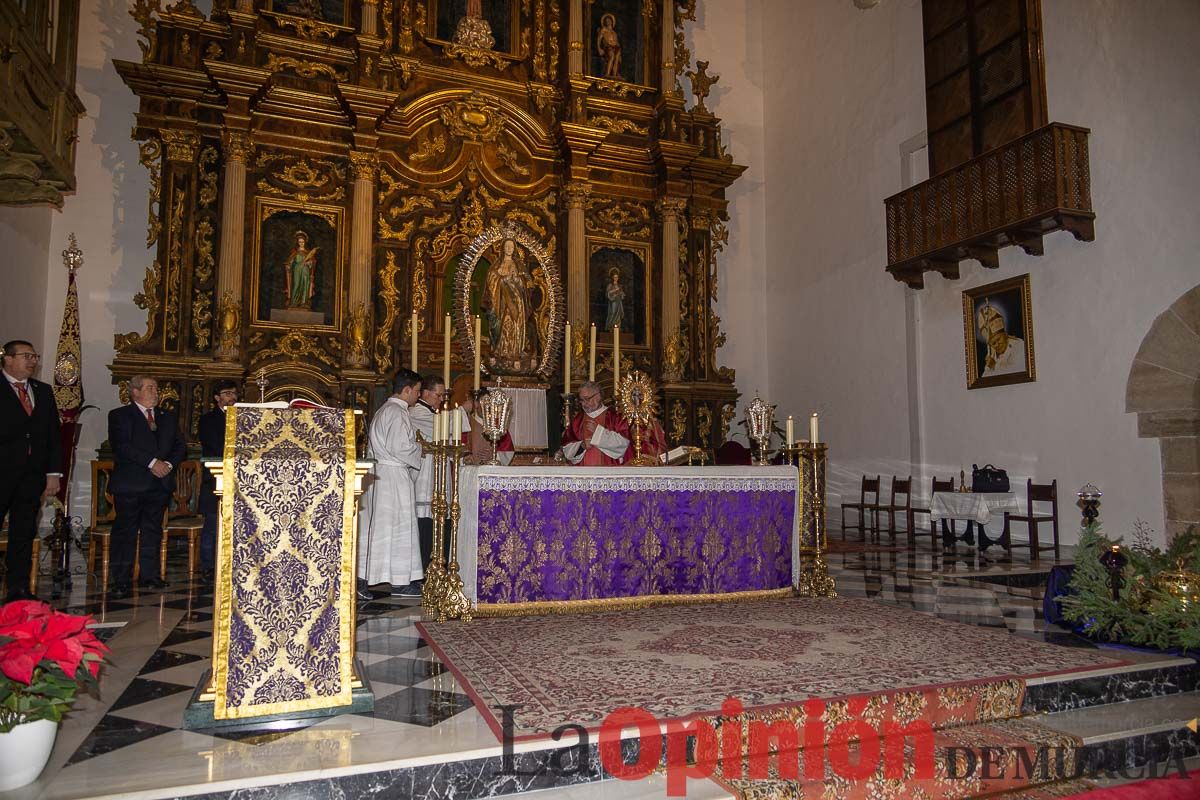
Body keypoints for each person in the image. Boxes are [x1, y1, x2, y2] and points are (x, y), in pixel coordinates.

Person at [107, 375, 186, 599]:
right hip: (131, 483)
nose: (156, 392)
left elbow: (180, 446)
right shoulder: (120, 416)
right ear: (135, 392)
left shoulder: (167, 417)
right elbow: (122, 446)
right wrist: (152, 463)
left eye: (156, 388)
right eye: (150, 388)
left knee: (153, 530)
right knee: (125, 531)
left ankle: (150, 576)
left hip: (159, 484)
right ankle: (121, 579)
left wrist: (168, 464)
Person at [0, 340, 61, 601]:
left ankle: (19, 588)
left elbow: (52, 435)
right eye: (26, 356)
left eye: (34, 356)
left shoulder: (43, 391)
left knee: (23, 532)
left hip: (31, 475)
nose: (32, 360)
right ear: (8, 359)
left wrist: (53, 473)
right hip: (2, 471)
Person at [357, 369, 424, 596]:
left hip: (384, 475)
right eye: (416, 391)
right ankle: (367, 580)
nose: (418, 395)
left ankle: (399, 579)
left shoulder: (387, 410)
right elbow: (400, 447)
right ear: (405, 390)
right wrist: (419, 449)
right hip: (391, 478)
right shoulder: (396, 412)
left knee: (392, 529)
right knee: (388, 529)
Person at [197, 379, 238, 585]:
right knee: (212, 525)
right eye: (227, 393)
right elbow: (214, 445)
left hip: (238, 477)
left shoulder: (242, 417)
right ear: (217, 397)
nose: (232, 397)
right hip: (216, 478)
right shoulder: (208, 420)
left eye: (234, 393)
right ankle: (208, 566)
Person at [409, 374, 451, 577]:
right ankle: (425, 568)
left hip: (438, 472)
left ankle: (437, 566)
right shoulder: (417, 412)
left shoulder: (432, 412)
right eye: (439, 395)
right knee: (426, 521)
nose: (442, 399)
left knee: (440, 519)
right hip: (426, 476)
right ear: (426, 393)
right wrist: (464, 410)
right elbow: (443, 430)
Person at [559, 381, 630, 466]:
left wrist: (598, 432)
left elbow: (624, 444)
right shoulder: (578, 420)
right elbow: (567, 448)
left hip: (608, 473)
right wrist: (582, 446)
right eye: (581, 400)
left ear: (598, 396)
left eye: (587, 398)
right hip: (583, 474)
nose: (584, 403)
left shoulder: (614, 417)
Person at [485, 239, 530, 362]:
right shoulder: (496, 265)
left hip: (516, 301)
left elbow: (526, 283)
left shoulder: (519, 265)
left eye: (511, 246)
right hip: (501, 301)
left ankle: (515, 351)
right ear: (503, 248)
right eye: (507, 246)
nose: (509, 249)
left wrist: (516, 280)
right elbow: (491, 281)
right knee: (503, 324)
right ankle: (502, 350)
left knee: (515, 325)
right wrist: (502, 280)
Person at [461, 389, 514, 465]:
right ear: (476, 403)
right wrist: (465, 458)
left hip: (491, 471)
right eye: (484, 401)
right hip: (472, 470)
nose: (488, 406)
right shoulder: (466, 424)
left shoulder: (498, 424)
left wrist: (494, 456)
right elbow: (458, 448)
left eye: (489, 402)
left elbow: (508, 451)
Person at [976, 302, 1026, 378]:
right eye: (993, 343)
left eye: (998, 339)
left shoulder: (1019, 346)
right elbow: (984, 380)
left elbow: (1016, 374)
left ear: (1005, 334)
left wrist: (994, 367)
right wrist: (988, 367)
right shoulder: (992, 354)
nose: (997, 345)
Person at [284, 230, 318, 310]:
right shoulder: (295, 252)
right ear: (298, 242)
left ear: (305, 242)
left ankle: (304, 302)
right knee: (296, 285)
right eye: (300, 242)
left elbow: (313, 263)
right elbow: (290, 262)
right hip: (297, 271)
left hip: (305, 271)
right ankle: (294, 302)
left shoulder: (308, 253)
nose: (301, 243)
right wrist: (289, 265)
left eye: (302, 242)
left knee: (305, 285)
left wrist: (309, 263)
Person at [597, 13, 621, 78]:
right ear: (605, 22)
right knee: (612, 56)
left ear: (612, 22)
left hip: (616, 47)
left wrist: (619, 51)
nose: (608, 22)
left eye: (609, 20)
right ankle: (607, 74)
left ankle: (614, 74)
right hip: (608, 46)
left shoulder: (614, 32)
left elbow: (616, 41)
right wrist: (599, 48)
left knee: (616, 59)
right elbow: (599, 39)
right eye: (607, 21)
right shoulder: (604, 29)